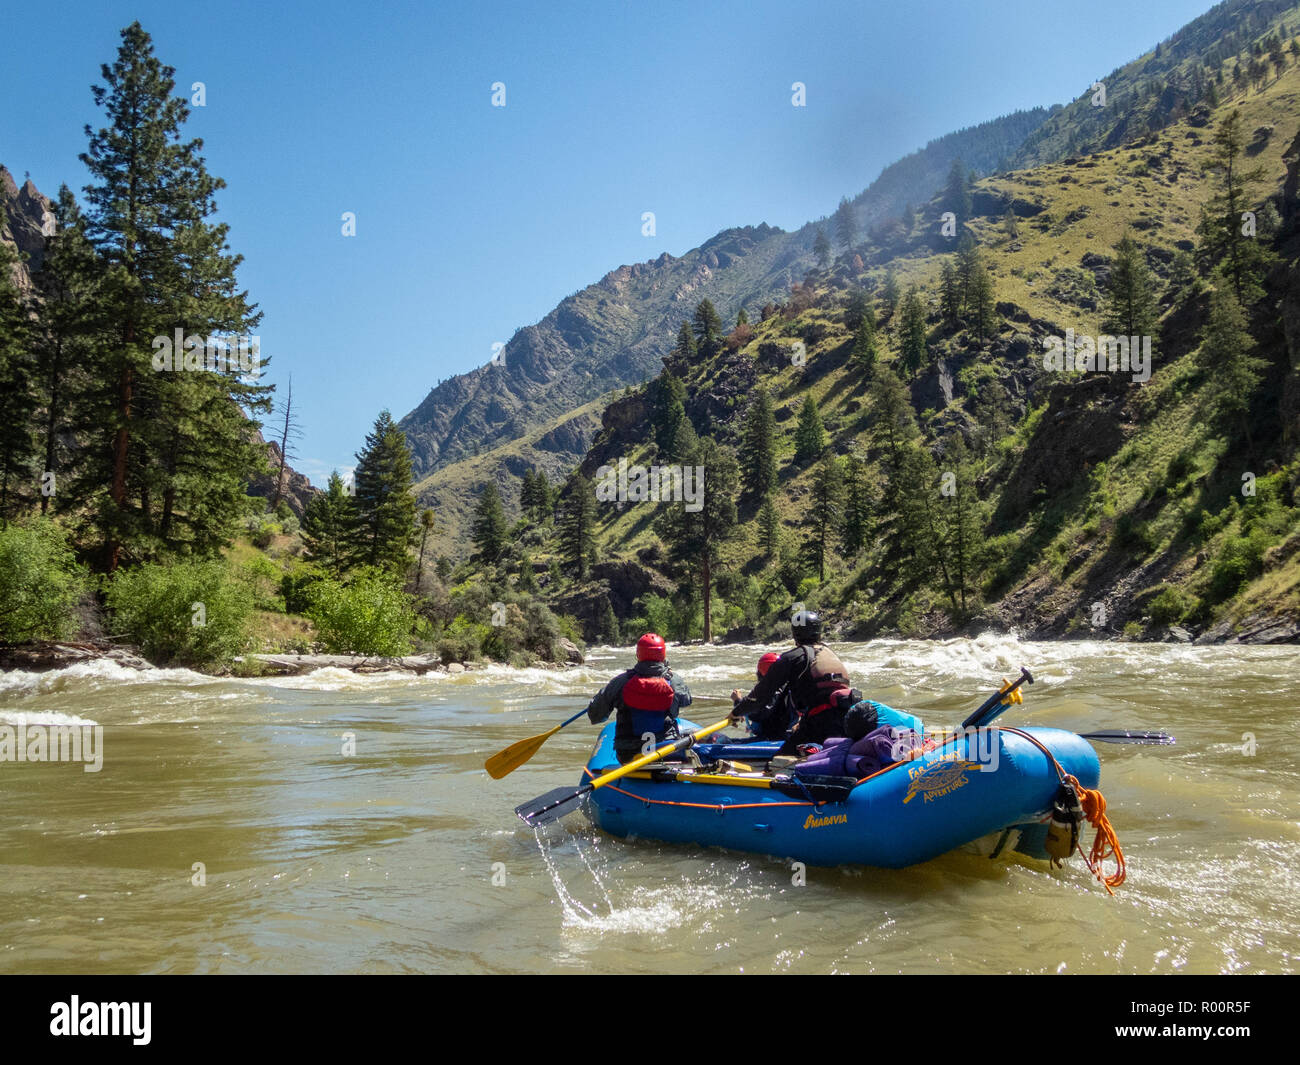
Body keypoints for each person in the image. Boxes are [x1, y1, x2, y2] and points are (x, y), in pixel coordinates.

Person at [728, 610, 857, 753]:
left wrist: (736, 712)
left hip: (819, 724)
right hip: (846, 721)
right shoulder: (828, 653)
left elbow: (760, 696)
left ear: (795, 633)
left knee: (777, 763)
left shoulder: (793, 657)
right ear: (819, 631)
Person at [586, 633, 693, 764]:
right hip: (666, 751)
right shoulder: (674, 680)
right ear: (663, 654)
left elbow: (595, 715)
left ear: (638, 654)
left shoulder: (620, 682)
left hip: (628, 755)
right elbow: (687, 700)